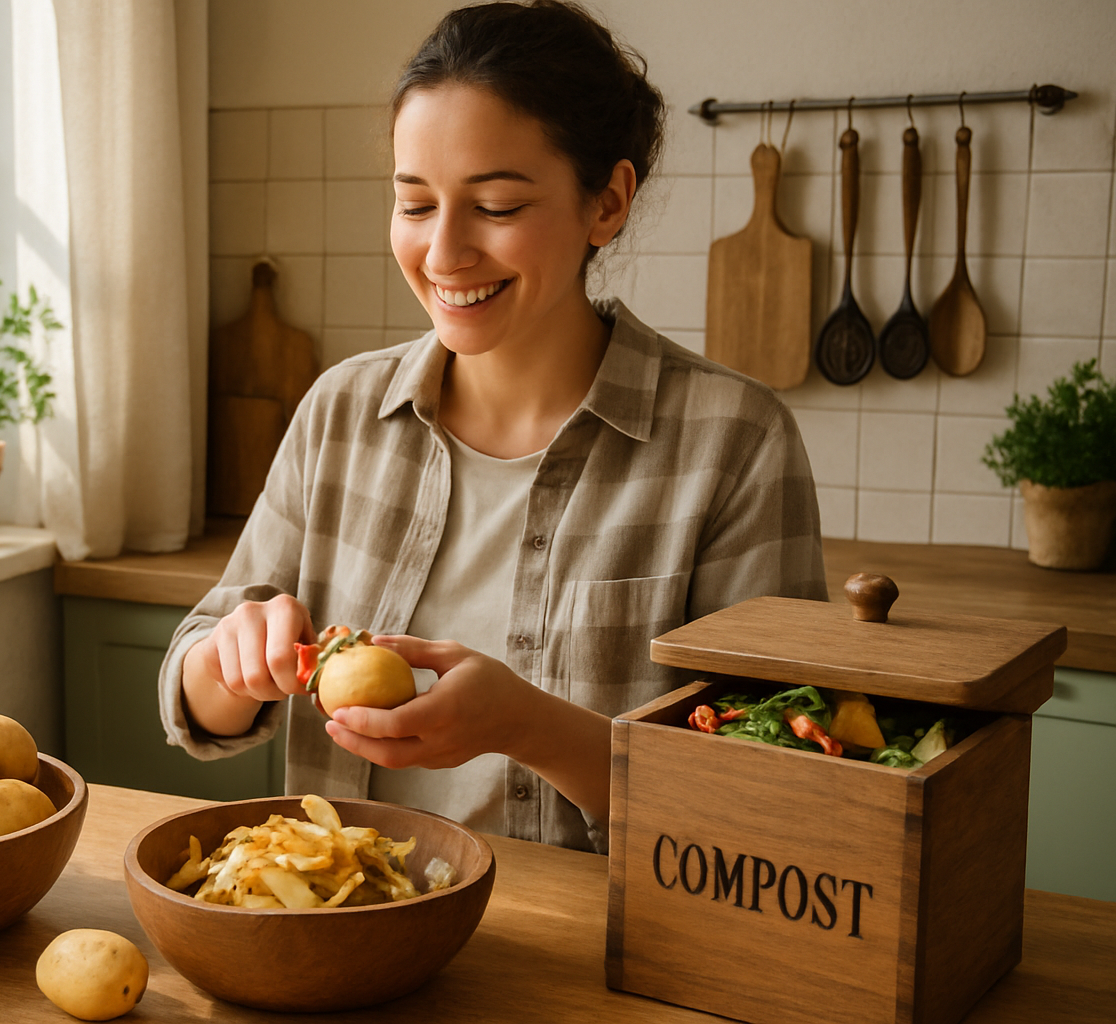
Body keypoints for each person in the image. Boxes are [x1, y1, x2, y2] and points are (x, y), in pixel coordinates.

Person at [160, 0, 825, 854]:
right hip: (348, 934)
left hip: (595, 960)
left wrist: (530, 727)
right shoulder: (341, 412)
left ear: (607, 203)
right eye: (415, 204)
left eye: (498, 207)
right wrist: (229, 663)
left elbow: (776, 791)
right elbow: (191, 685)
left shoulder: (734, 443)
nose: (443, 254)